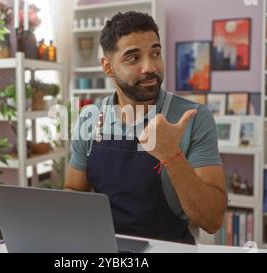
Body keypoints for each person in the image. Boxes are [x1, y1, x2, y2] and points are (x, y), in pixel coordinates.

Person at [65, 11, 226, 244]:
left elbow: (212, 221)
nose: (150, 67)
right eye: (133, 58)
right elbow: (73, 189)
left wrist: (172, 155)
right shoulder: (89, 118)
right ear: (108, 67)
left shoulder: (194, 117)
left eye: (156, 53)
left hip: (169, 248)